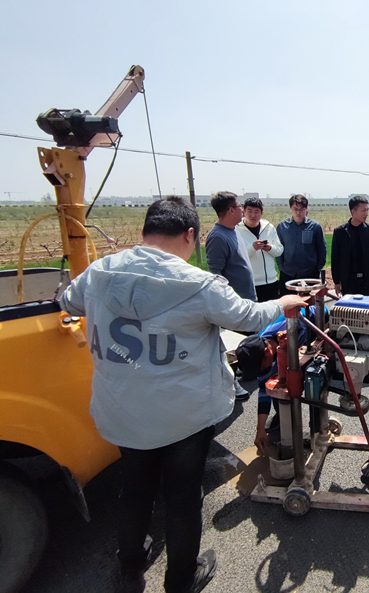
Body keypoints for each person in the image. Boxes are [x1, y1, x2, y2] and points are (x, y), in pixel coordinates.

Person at [58, 197, 307, 593]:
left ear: (146, 231)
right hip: (183, 418)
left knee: (135, 489)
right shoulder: (198, 284)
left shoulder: (100, 272)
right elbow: (248, 317)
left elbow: (66, 300)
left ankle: (130, 568)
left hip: (121, 411)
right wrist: (283, 303)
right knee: (183, 498)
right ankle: (181, 580)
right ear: (190, 234)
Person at [235, 305, 327, 452]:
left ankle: (318, 429)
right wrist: (260, 429)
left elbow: (317, 311)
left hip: (314, 331)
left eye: (259, 367)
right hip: (292, 349)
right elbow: (263, 390)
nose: (260, 371)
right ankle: (284, 419)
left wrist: (321, 333)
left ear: (267, 351)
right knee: (276, 387)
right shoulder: (260, 350)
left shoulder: (288, 325)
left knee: (315, 383)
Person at [205, 191, 256, 301]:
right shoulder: (218, 237)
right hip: (235, 302)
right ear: (231, 210)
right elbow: (215, 275)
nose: (242, 210)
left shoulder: (234, 230)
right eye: (240, 206)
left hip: (247, 299)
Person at [331, 195, 369, 296]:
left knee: (367, 306)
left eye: (367, 210)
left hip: (367, 281)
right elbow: (335, 258)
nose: (366, 214)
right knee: (350, 306)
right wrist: (337, 281)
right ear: (353, 212)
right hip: (348, 282)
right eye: (363, 211)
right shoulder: (340, 232)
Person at [276, 194, 327, 294]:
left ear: (306, 209)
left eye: (301, 209)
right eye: (295, 209)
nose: (298, 212)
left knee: (309, 301)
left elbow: (321, 248)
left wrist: (318, 267)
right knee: (288, 301)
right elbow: (279, 248)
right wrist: (281, 266)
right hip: (288, 272)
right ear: (290, 208)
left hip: (309, 273)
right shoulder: (282, 227)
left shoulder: (314, 226)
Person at [236, 196, 284, 302]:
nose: (253, 215)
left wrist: (270, 248)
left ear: (262, 213)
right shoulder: (237, 230)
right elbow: (237, 256)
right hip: (250, 283)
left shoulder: (269, 227)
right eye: (249, 211)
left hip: (271, 281)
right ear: (244, 212)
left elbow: (279, 250)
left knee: (273, 311)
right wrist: (252, 248)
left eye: (256, 212)